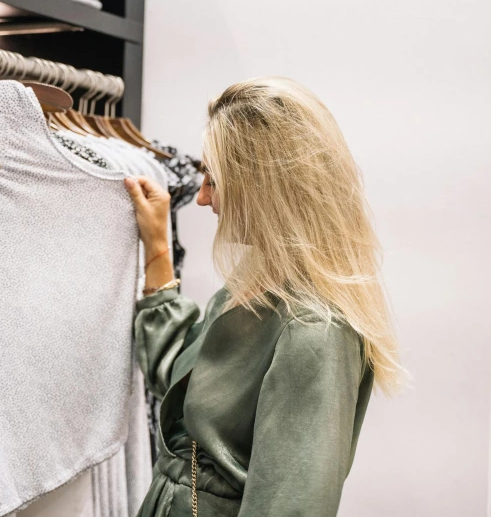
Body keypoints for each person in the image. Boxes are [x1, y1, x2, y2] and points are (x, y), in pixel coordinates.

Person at [123, 76, 405, 517]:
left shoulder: (314, 332)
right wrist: (157, 245)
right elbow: (183, 384)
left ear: (262, 188)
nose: (201, 199)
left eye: (213, 181)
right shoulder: (256, 287)